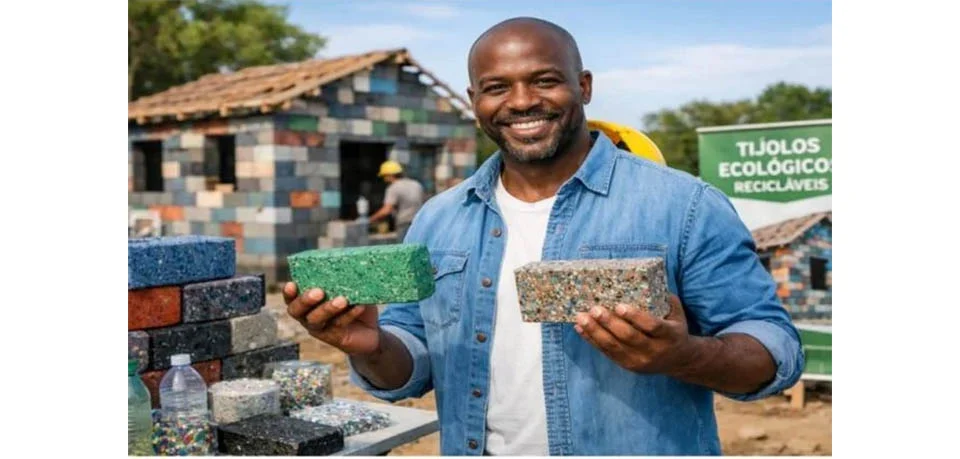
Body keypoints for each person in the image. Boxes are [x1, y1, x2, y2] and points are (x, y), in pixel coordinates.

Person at [283, 17, 804, 456]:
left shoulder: (684, 205)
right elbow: (410, 362)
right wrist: (371, 347)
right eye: (497, 87)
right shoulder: (439, 218)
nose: (522, 101)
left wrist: (682, 355)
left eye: (545, 80)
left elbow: (773, 350)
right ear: (474, 100)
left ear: (584, 86)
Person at [367, 160, 424, 240]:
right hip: (419, 224)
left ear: (389, 175)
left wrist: (370, 220)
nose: (384, 179)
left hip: (404, 225)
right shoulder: (416, 184)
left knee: (405, 250)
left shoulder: (393, 188)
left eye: (384, 176)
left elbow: (387, 210)